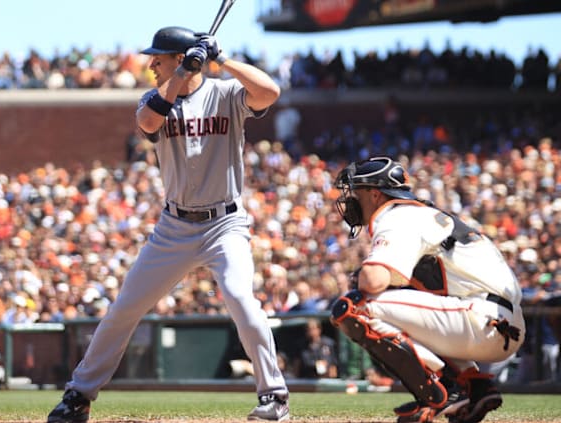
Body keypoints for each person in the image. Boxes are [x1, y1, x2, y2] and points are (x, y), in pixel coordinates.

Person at [47, 26, 289, 423]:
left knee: (241, 299)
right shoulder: (157, 98)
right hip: (173, 227)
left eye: (158, 59)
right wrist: (181, 73)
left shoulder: (225, 93)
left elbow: (269, 92)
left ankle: (274, 396)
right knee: (125, 308)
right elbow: (146, 122)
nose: (151, 65)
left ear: (177, 57)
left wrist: (220, 59)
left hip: (224, 225)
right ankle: (78, 395)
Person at [330, 156, 525, 423]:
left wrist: (364, 277)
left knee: (353, 307)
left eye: (357, 192)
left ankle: (441, 394)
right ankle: (475, 386)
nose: (351, 200)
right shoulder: (421, 214)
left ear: (375, 194)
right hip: (499, 322)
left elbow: (372, 280)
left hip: (479, 317)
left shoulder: (397, 215)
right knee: (395, 301)